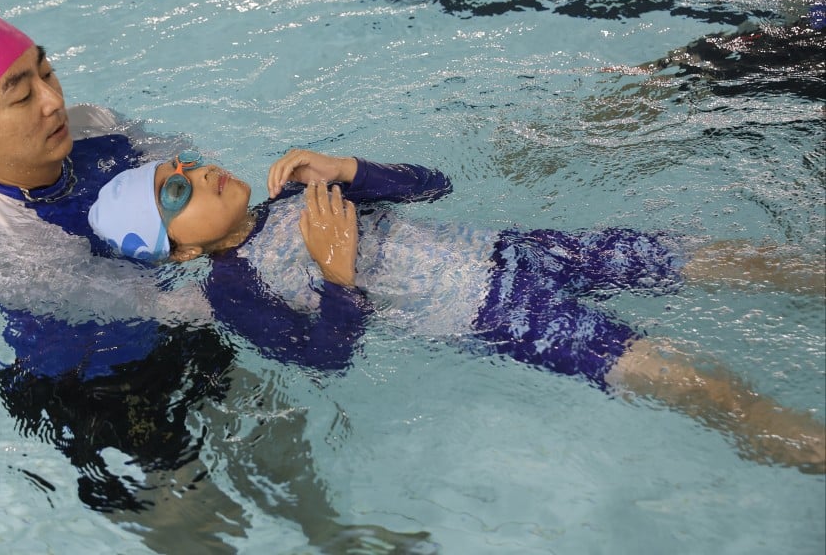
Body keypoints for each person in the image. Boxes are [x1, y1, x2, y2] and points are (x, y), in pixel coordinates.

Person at [0, 2, 434, 553]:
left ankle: (331, 536)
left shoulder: (91, 126)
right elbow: (170, 302)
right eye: (20, 93)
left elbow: (185, 175)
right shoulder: (7, 251)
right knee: (201, 522)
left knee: (273, 432)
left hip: (171, 320)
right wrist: (294, 276)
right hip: (93, 385)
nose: (52, 100)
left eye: (46, 70)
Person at [89, 148, 826, 473]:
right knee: (693, 382)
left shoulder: (296, 196)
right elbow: (322, 358)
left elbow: (432, 188)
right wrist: (339, 280)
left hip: (524, 250)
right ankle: (792, 441)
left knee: (715, 258)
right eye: (175, 195)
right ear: (177, 254)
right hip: (500, 316)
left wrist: (349, 170)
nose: (195, 174)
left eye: (180, 168)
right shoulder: (232, 291)